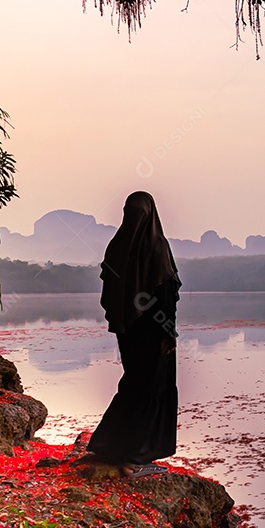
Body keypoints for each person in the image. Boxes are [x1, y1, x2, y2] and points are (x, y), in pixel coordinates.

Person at [88, 191, 182, 477]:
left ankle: (109, 445)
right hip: (154, 333)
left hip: (128, 331)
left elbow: (109, 294)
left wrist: (121, 319)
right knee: (150, 388)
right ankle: (137, 457)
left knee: (133, 385)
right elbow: (165, 294)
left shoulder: (117, 246)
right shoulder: (157, 245)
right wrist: (168, 332)